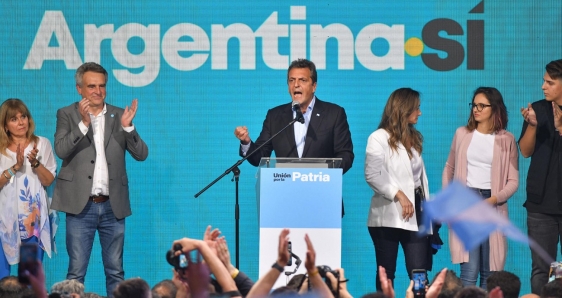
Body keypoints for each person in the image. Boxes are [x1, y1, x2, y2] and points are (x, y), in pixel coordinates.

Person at [51, 62, 149, 297]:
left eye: (102, 86)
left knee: (115, 272)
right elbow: (61, 150)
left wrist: (128, 128)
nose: (97, 91)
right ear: (79, 89)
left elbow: (141, 154)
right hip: (80, 206)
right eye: (91, 86)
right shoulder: (66, 114)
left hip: (112, 207)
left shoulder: (119, 115)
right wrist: (84, 123)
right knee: (76, 273)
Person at [442, 87, 519, 289]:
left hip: (492, 205)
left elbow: (513, 181)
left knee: (490, 274)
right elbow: (449, 168)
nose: (476, 109)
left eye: (481, 106)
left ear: (495, 108)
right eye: (474, 105)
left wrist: (493, 200)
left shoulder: (507, 139)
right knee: (469, 272)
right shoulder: (462, 134)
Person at [234, 58, 354, 174]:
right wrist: (246, 142)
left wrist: (323, 174)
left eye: (302, 80)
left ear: (314, 86)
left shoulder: (334, 114)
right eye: (291, 80)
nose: (296, 84)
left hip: (322, 189)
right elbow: (259, 157)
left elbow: (346, 155)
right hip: (286, 191)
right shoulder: (274, 116)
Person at [364, 88, 430, 290]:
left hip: (416, 213)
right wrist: (398, 194)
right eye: (416, 108)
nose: (419, 112)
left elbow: (418, 179)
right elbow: (372, 175)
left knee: (419, 271)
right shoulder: (378, 138)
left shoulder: (413, 138)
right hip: (388, 215)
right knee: (386, 273)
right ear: (404, 109)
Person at [0, 99, 57, 280]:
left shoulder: (42, 144)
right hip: (4, 222)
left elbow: (48, 180)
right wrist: (14, 167)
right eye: (14, 119)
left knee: (30, 278)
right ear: (5, 125)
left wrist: (35, 163)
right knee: (3, 277)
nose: (21, 122)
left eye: (23, 116)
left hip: (32, 221)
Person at [519, 59, 562, 294]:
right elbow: (525, 151)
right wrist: (533, 125)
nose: (543, 86)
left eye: (549, 82)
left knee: (561, 269)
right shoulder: (538, 109)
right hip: (540, 205)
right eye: (544, 81)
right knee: (541, 268)